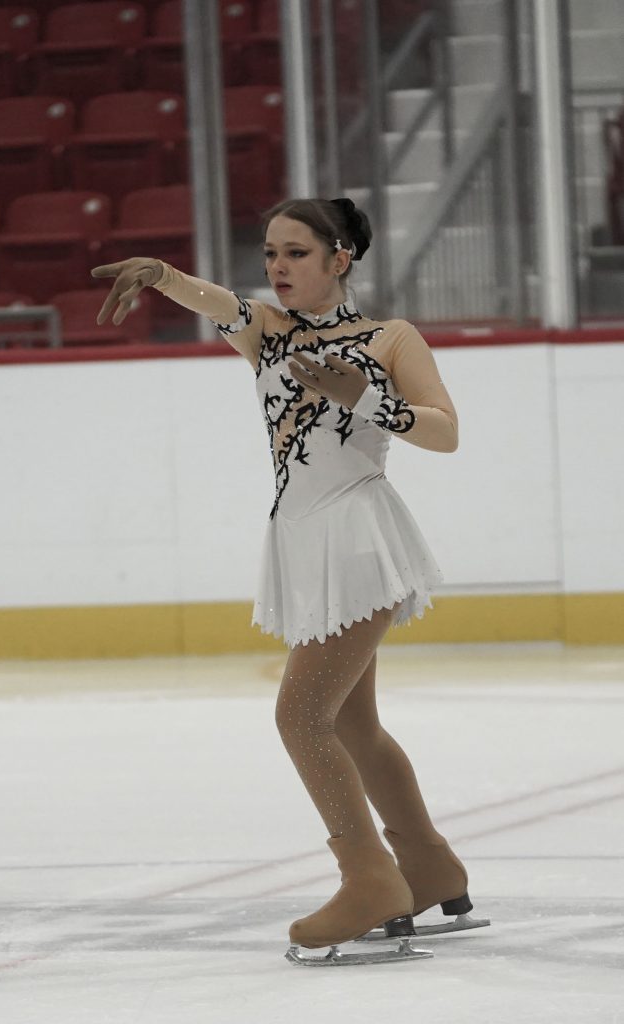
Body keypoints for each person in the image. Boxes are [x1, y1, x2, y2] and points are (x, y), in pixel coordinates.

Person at [92, 197, 478, 966]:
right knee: (352, 726)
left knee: (300, 716)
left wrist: (365, 397)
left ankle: (369, 878)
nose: (277, 266)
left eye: (296, 252)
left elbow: (445, 432)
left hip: (357, 538)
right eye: (270, 252)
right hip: (302, 538)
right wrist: (162, 274)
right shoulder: (268, 331)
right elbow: (219, 303)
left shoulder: (388, 337)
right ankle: (429, 867)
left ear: (339, 259)